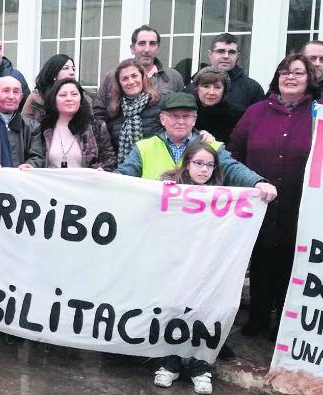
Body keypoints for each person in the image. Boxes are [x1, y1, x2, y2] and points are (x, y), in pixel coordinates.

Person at [229, 54, 318, 337]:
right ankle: (257, 317)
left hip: (301, 205)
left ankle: (283, 322)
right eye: (284, 72)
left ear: (310, 79)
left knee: (291, 262)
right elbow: (234, 153)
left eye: (298, 72)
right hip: (259, 204)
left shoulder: (318, 114)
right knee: (261, 260)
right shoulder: (255, 112)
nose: (290, 77)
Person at [115, 91, 277, 204]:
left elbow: (233, 169)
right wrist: (100, 180)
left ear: (194, 120)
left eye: (186, 116)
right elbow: (123, 175)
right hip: (154, 224)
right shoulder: (144, 147)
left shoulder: (212, 146)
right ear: (162, 119)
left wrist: (257, 182)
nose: (180, 121)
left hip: (197, 228)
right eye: (174, 116)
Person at [155, 143, 224, 395]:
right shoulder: (169, 189)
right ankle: (170, 362)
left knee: (204, 312)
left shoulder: (223, 196)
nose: (204, 170)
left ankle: (200, 366)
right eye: (198, 163)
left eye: (209, 165)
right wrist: (162, 192)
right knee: (174, 310)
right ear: (187, 163)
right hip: (175, 265)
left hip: (207, 267)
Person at [95, 25, 184, 119]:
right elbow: (99, 113)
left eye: (152, 44)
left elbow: (182, 111)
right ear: (133, 48)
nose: (147, 49)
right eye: (142, 43)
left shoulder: (173, 77)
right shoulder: (112, 76)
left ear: (158, 48)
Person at [40, 78, 116, 170]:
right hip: (51, 183)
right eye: (63, 95)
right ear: (54, 100)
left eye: (74, 94)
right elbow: (36, 159)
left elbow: (110, 160)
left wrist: (101, 169)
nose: (69, 99)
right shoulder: (44, 128)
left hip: (86, 183)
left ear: (81, 99)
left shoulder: (96, 127)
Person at [100, 59, 162, 164]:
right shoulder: (114, 110)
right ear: (119, 83)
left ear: (143, 77)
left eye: (134, 76)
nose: (131, 82)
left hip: (153, 172)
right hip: (122, 173)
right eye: (124, 79)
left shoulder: (159, 105)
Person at [205, 33, 264, 117]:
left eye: (231, 52)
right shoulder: (196, 84)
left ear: (237, 56)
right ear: (210, 55)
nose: (226, 56)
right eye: (221, 51)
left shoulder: (252, 88)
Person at [190, 66, 239, 145]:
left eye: (217, 87)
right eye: (206, 86)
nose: (211, 92)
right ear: (197, 88)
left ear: (224, 91)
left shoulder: (235, 115)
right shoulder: (187, 112)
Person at [22, 54, 76, 123]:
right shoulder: (36, 97)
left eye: (73, 69)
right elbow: (24, 127)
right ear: (54, 74)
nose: (72, 72)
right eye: (66, 68)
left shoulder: (79, 97)